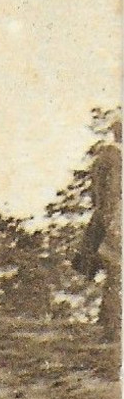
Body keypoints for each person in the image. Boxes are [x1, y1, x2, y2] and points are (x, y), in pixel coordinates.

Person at [78, 122, 122, 338]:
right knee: (115, 270)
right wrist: (107, 216)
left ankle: (110, 323)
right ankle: (111, 327)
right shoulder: (113, 155)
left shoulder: (110, 155)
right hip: (114, 218)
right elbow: (104, 190)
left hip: (111, 216)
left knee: (115, 271)